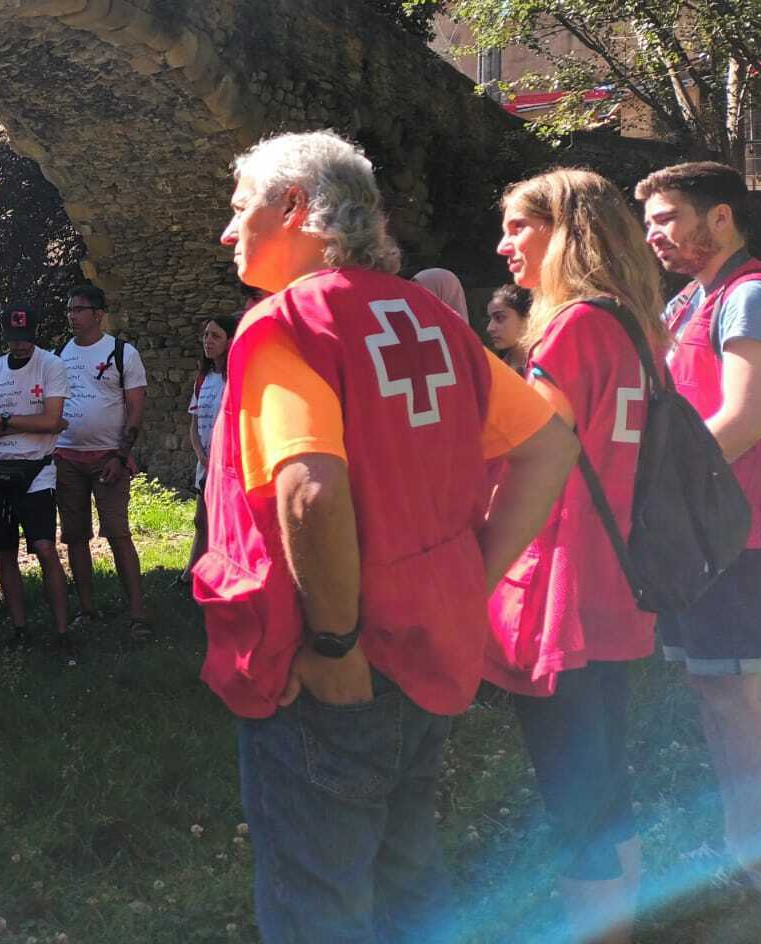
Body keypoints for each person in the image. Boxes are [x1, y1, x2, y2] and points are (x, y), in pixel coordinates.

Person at [198, 130, 575, 944]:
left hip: (332, 670)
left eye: (240, 208)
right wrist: (469, 581)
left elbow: (310, 490)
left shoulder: (287, 323)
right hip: (428, 652)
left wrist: (334, 644)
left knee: (318, 906)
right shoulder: (431, 317)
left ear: (293, 206)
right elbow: (550, 447)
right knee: (409, 880)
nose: (228, 233)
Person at [489, 170, 665, 943]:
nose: (504, 245)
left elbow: (536, 461)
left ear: (564, 232)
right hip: (617, 579)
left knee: (573, 794)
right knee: (605, 780)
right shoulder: (633, 323)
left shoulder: (565, 332)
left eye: (518, 227)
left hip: (561, 584)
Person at [637, 161, 761, 892]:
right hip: (702, 530)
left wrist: (650, 487)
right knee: (714, 691)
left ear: (720, 217)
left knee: (742, 697)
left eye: (666, 218)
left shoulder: (751, 296)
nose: (653, 235)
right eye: (648, 224)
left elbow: (743, 421)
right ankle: (745, 847)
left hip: (744, 531)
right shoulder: (687, 302)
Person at [0, 304, 75, 650]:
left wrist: (6, 421)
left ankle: (62, 631)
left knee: (46, 548)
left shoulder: (51, 366)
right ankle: (20, 629)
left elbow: (52, 420)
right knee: (5, 551)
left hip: (37, 470)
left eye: (25, 337)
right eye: (13, 338)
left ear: (34, 334)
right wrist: (33, 422)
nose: (19, 344)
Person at [54, 283, 149, 635]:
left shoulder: (123, 353)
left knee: (118, 533)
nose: (72, 316)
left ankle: (137, 613)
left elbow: (135, 408)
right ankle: (87, 609)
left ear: (98, 315)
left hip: (109, 458)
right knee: (75, 536)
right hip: (67, 458)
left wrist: (121, 455)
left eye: (79, 309)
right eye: (69, 309)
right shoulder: (59, 355)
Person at [179, 314, 239, 587]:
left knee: (225, 522)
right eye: (206, 335)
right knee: (201, 520)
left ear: (229, 341)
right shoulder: (203, 379)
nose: (208, 341)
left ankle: (224, 574)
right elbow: (194, 423)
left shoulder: (235, 378)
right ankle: (192, 574)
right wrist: (201, 455)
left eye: (216, 336)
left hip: (229, 464)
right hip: (205, 463)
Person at [486, 283, 533, 374]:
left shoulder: (547, 368)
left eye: (499, 317)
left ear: (527, 318)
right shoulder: (493, 372)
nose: (489, 328)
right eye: (490, 319)